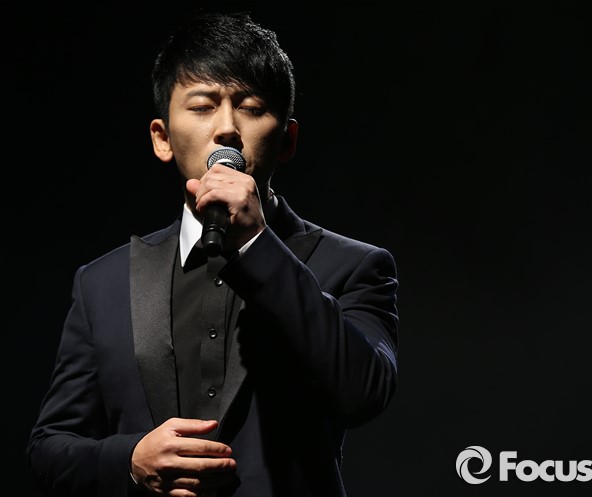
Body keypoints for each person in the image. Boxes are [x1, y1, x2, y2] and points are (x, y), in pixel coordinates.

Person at [26, 10, 399, 497]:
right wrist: (131, 461)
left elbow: (364, 392)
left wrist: (257, 243)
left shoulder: (354, 266)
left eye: (251, 107)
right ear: (162, 138)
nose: (226, 129)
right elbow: (49, 449)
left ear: (287, 140)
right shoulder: (103, 283)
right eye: (203, 106)